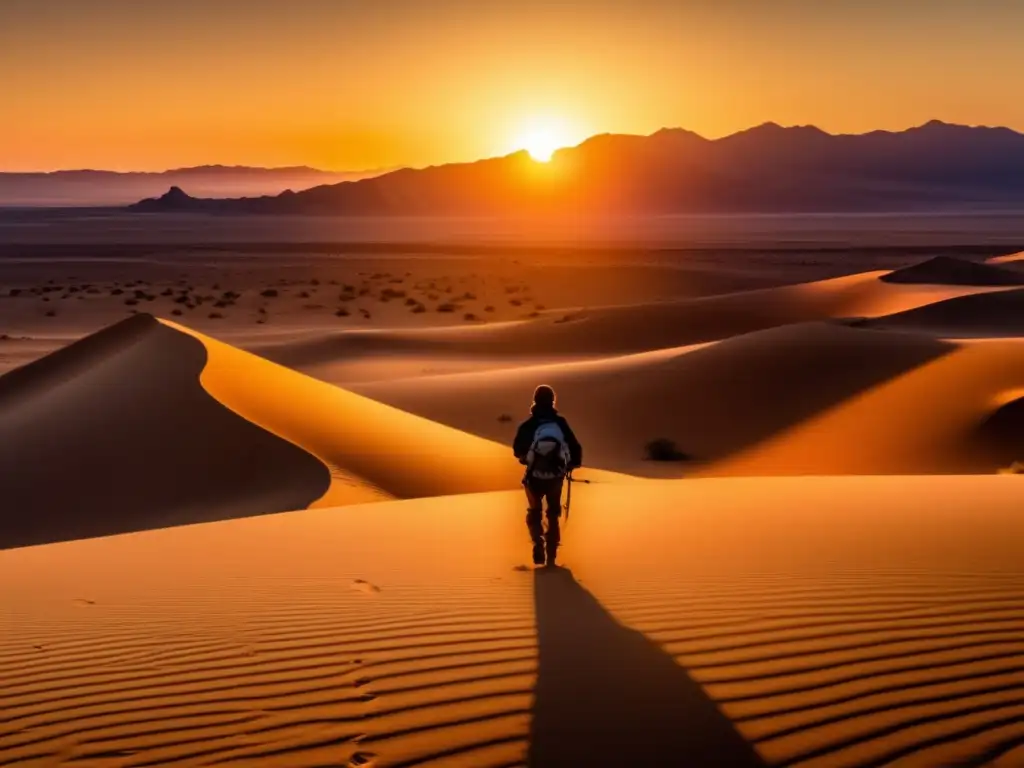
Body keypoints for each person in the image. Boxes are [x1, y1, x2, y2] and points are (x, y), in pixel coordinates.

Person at [513, 384, 582, 566]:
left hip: (534, 476)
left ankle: (538, 543)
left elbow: (517, 449)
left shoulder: (529, 424)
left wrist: (525, 457)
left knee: (535, 512)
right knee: (553, 512)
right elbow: (576, 447)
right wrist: (573, 463)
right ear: (553, 400)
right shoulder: (560, 423)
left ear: (535, 400)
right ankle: (551, 553)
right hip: (556, 477)